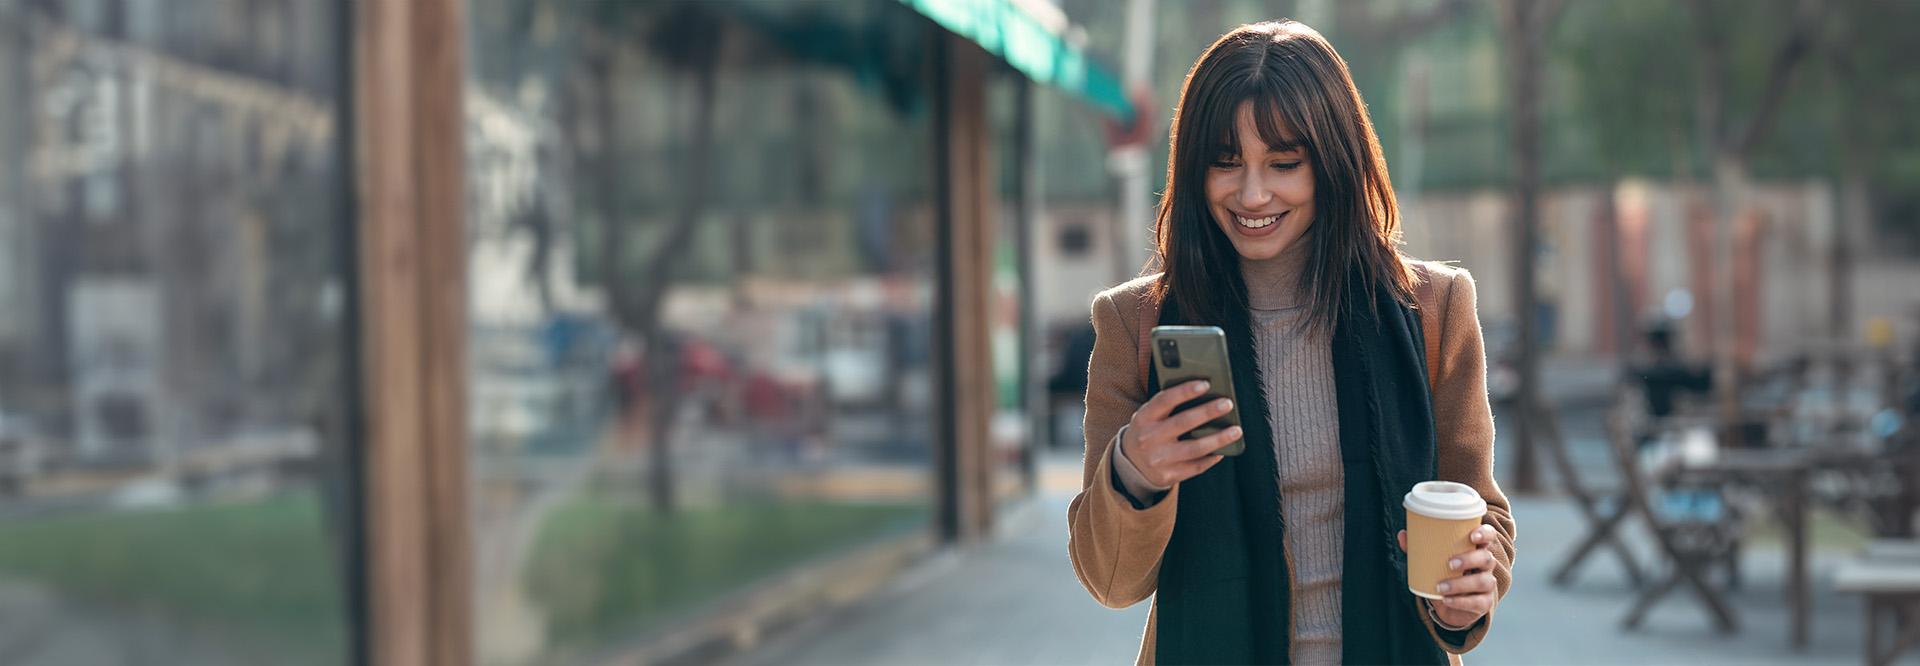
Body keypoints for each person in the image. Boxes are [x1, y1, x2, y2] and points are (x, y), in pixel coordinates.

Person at [1066, 21, 1515, 665]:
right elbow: (1111, 582)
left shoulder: (1433, 311)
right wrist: (1136, 471)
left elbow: (1479, 515)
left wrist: (1471, 589)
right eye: (1226, 162)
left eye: (1284, 163)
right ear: (1193, 169)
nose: (1253, 194)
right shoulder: (1135, 325)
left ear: (1332, 163)